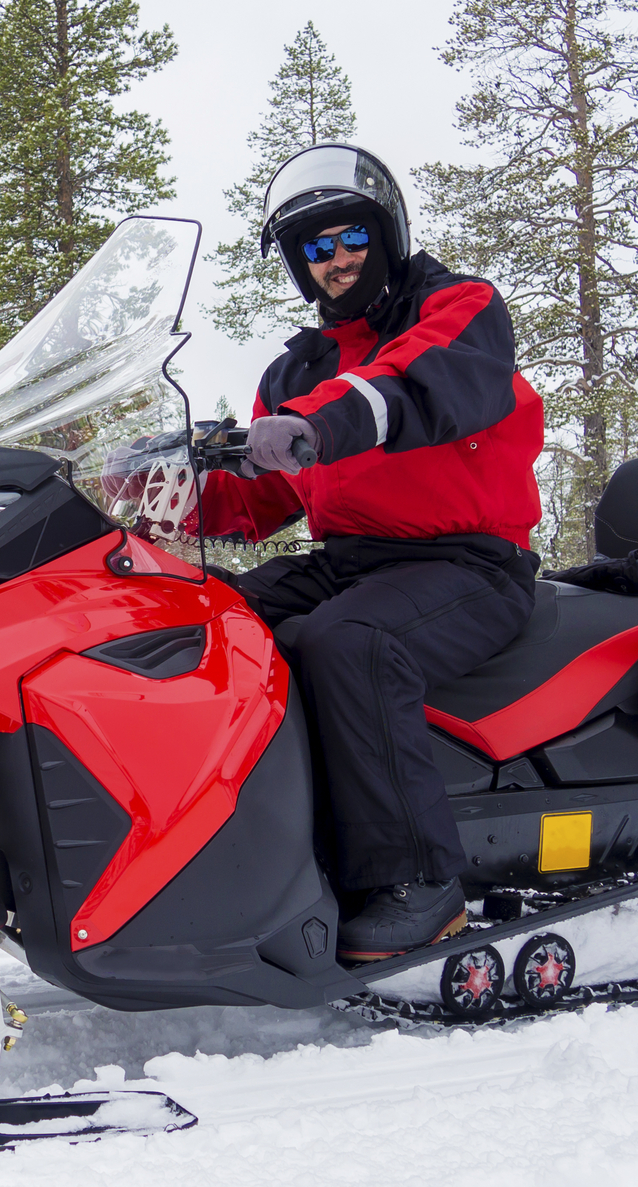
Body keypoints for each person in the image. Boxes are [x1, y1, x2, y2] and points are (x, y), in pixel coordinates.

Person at [198, 143, 545, 960]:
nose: (338, 259)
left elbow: (412, 386)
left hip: (468, 563)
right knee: (210, 616)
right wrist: (165, 486)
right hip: (352, 560)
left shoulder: (457, 311)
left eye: (351, 237)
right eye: (315, 248)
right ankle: (237, 852)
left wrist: (317, 425)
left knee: (350, 641)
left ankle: (418, 881)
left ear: (385, 235)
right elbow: (259, 497)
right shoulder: (297, 371)